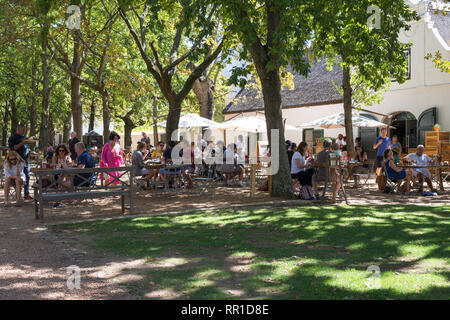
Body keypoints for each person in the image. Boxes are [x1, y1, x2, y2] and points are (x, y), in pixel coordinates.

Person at [8, 124, 32, 200]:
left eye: (25, 130)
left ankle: (26, 193)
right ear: (17, 129)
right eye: (23, 130)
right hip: (16, 161)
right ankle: (19, 194)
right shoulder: (12, 138)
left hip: (25, 160)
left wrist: (29, 151)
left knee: (27, 176)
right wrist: (23, 142)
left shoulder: (24, 138)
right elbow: (13, 148)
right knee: (18, 177)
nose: (24, 132)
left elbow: (26, 148)